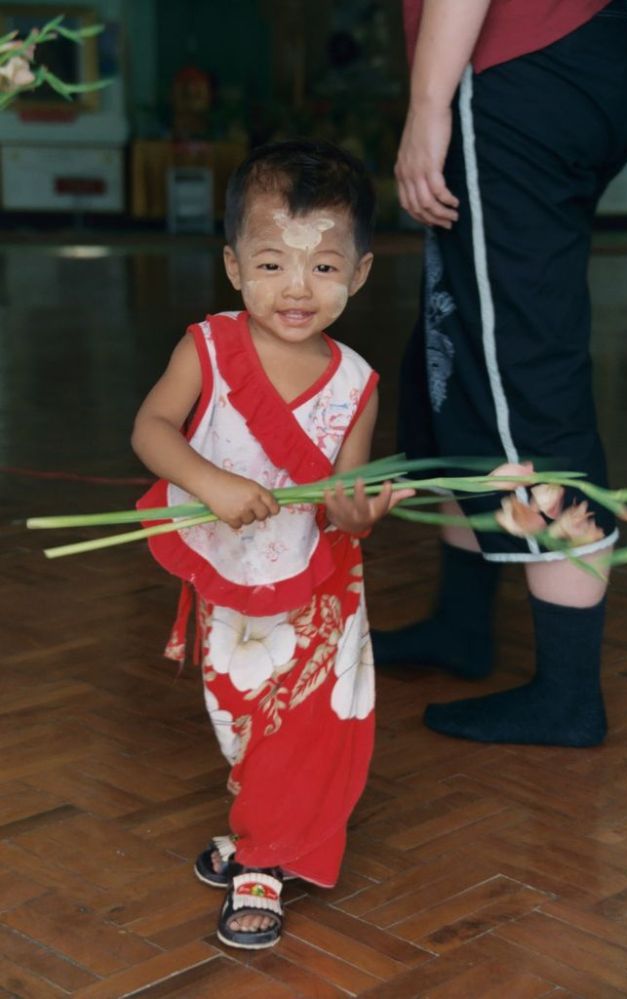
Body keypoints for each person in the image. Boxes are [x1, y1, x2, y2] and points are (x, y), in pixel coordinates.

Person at [131, 140, 412, 950]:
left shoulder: (356, 379)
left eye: (324, 268)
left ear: (359, 274)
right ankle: (262, 827)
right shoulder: (209, 347)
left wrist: (360, 518)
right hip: (237, 574)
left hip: (321, 581)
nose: (296, 289)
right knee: (241, 714)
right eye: (271, 264)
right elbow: (150, 427)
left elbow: (341, 502)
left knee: (305, 723)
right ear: (232, 265)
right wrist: (209, 479)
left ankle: (266, 860)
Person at [372, 0, 627, 746]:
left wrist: (428, 104)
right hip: (592, 63)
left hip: (518, 67)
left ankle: (568, 696)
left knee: (520, 364)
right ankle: (461, 625)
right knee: (461, 343)